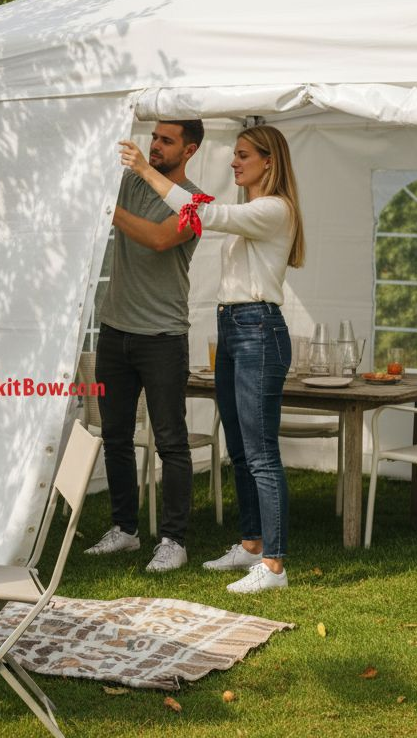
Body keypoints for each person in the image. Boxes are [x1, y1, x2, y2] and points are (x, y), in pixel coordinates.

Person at [118, 124, 305, 593]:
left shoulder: (272, 209)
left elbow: (200, 210)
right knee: (241, 449)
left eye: (243, 155)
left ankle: (275, 565)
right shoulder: (251, 210)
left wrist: (144, 168)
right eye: (235, 154)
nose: (234, 162)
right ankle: (252, 544)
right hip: (236, 328)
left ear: (268, 162)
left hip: (258, 329)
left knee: (261, 453)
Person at [84, 119, 206, 573]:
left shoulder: (196, 203)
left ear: (189, 149)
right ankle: (125, 531)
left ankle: (174, 540)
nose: (155, 145)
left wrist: (107, 209)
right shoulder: (128, 184)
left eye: (166, 141)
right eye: (154, 137)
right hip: (115, 331)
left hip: (163, 338)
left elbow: (158, 239)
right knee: (115, 436)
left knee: (170, 442)